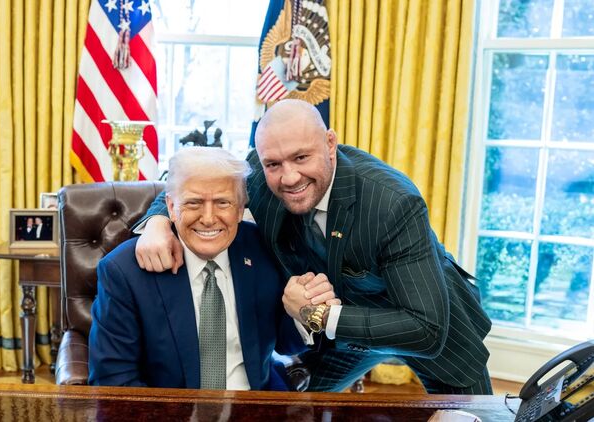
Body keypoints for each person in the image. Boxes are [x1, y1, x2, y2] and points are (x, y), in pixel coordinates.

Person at [134, 99, 493, 394]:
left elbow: (427, 329)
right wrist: (157, 222)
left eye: (302, 158)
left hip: (430, 325)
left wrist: (317, 315)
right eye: (274, 163)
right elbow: (196, 181)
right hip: (343, 336)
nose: (289, 177)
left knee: (475, 417)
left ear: (330, 144)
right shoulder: (261, 170)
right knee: (294, 407)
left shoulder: (392, 202)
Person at [88, 146, 338, 390]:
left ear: (240, 209)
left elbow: (284, 343)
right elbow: (113, 381)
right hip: (170, 410)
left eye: (222, 203)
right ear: (171, 207)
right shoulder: (124, 271)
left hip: (255, 403)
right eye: (193, 203)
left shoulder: (265, 249)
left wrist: (302, 314)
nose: (208, 218)